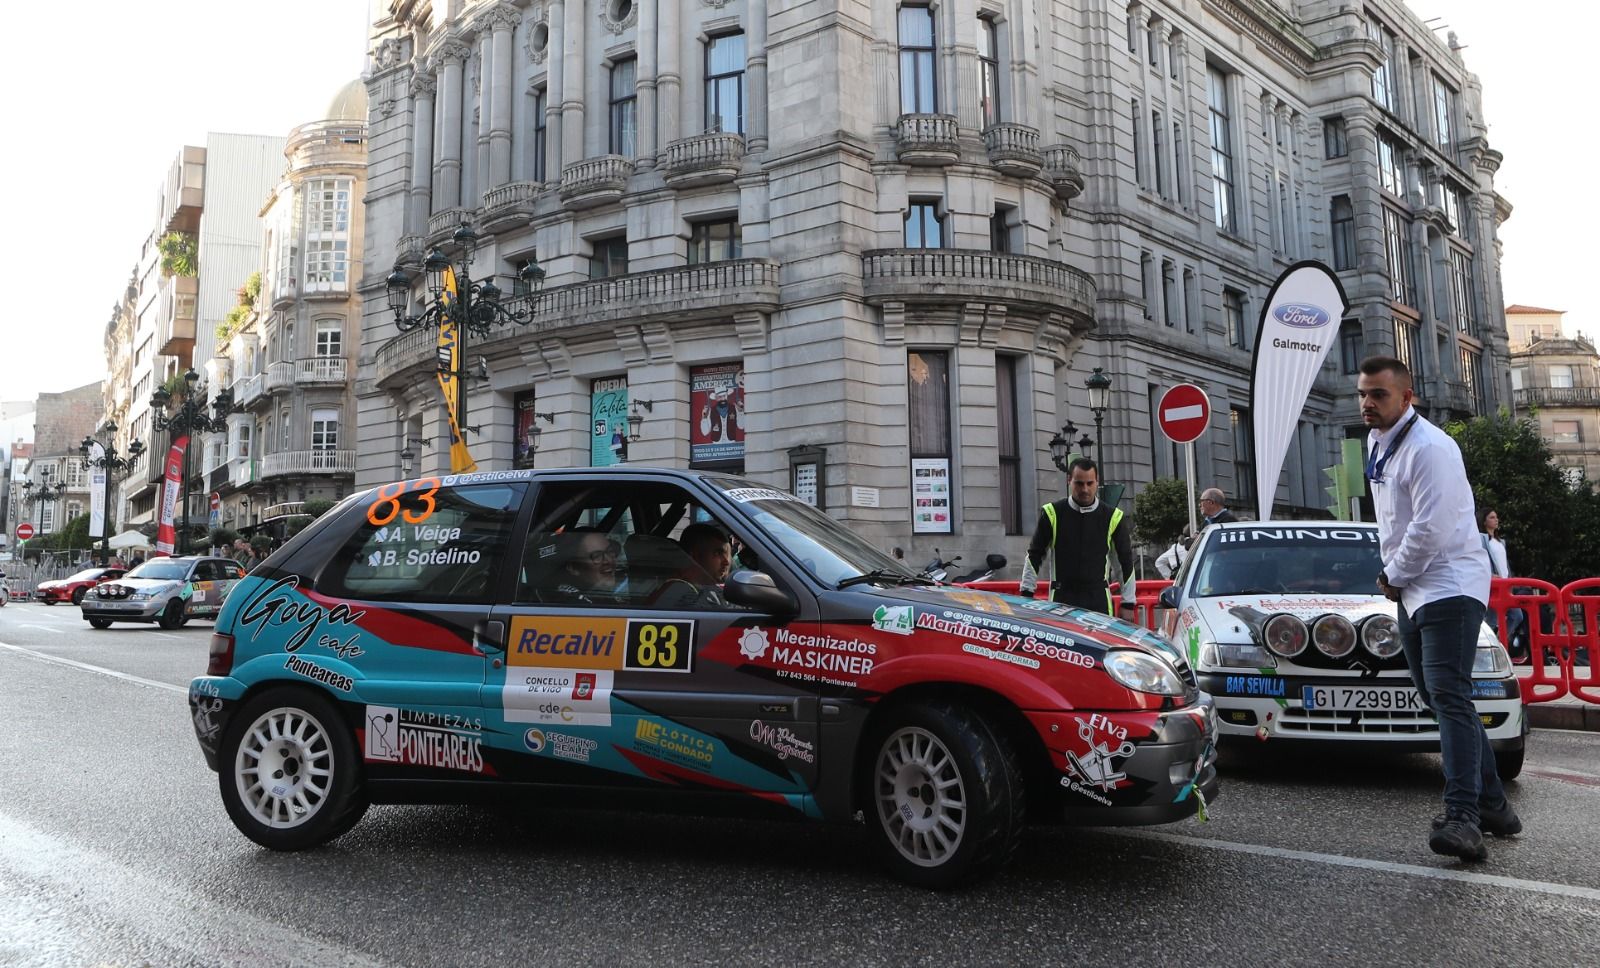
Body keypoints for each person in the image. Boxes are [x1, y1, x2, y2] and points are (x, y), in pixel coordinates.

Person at [1358, 356, 1519, 861]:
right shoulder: (1377, 442)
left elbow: (1429, 529)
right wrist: (1398, 580)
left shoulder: (1431, 448)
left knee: (1449, 695)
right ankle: (1494, 805)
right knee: (1441, 697)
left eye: (1378, 394)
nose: (1367, 402)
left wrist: (1393, 576)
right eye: (1363, 393)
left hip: (1448, 583)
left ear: (1408, 398)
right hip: (1414, 590)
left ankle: (1464, 818)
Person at [1020, 457, 1136, 615]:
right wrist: (1026, 595)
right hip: (1061, 601)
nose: (1085, 489)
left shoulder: (1113, 516)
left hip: (1098, 602)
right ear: (1069, 481)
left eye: (1090, 483)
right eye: (1079, 483)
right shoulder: (1052, 513)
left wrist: (1128, 603)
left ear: (1097, 481)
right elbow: (1034, 555)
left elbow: (1124, 562)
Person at [1479, 508, 1527, 658]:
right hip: (1493, 584)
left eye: (1496, 517)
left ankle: (1498, 644)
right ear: (1484, 520)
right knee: (1492, 619)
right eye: (1492, 517)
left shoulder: (1500, 542)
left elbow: (1504, 564)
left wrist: (1511, 580)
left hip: (1506, 584)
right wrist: (1489, 575)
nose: (1496, 520)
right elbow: (1480, 559)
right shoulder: (1481, 538)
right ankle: (1489, 650)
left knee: (1516, 615)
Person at [651, 523, 733, 609]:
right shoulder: (678, 593)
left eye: (727, 554)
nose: (726, 562)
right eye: (717, 553)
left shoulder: (701, 589)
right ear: (694, 556)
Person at [553, 529, 620, 604]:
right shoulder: (572, 604)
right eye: (597, 556)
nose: (608, 560)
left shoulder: (598, 596)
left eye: (610, 551)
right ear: (573, 568)